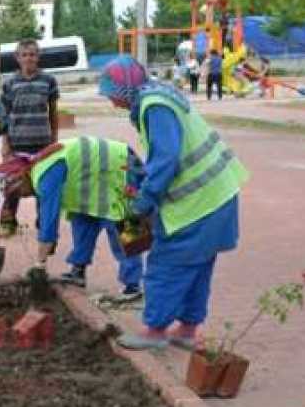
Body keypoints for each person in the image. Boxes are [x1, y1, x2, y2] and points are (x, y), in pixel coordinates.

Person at [98, 55, 249, 350]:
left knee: (166, 262)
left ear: (125, 89)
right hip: (219, 194)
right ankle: (187, 328)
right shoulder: (159, 96)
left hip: (197, 202)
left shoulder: (154, 107)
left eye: (112, 94)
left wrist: (144, 203)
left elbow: (166, 159)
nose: (112, 103)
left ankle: (155, 329)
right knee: (199, 263)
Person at [0, 137, 145, 302]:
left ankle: (133, 285)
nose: (22, 196)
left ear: (22, 178)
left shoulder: (44, 176)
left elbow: (49, 221)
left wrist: (40, 263)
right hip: (96, 176)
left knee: (123, 224)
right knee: (82, 220)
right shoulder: (39, 166)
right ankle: (78, 271)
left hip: (121, 165)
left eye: (18, 192)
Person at [0, 39, 60, 238]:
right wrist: (5, 143)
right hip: (16, 143)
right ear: (17, 58)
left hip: (43, 144)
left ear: (38, 56)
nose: (28, 58)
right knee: (12, 185)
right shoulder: (9, 83)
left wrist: (54, 139)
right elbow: (4, 116)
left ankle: (44, 222)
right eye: (24, 55)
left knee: (44, 186)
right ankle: (8, 222)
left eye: (32, 54)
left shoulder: (48, 81)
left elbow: (54, 113)